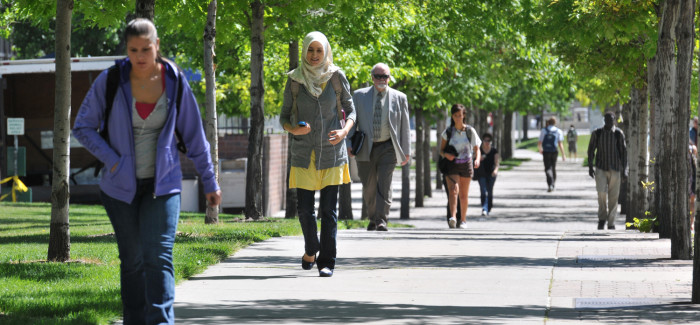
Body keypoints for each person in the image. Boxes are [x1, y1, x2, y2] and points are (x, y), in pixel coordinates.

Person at [72, 18, 221, 324]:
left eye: (146, 48)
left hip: (163, 185)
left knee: (158, 257)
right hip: (119, 189)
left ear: (157, 47)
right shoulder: (111, 80)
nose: (140, 56)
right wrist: (113, 160)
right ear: (126, 49)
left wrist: (210, 181)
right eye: (133, 49)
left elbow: (195, 137)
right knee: (133, 262)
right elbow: (83, 127)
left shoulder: (175, 81)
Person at [279, 31, 355, 277]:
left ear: (326, 52)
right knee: (304, 209)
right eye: (310, 50)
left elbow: (351, 111)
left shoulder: (336, 77)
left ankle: (327, 262)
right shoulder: (294, 80)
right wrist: (294, 129)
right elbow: (283, 116)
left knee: (329, 211)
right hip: (304, 154)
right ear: (304, 51)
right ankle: (311, 248)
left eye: (319, 50)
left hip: (332, 152)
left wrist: (344, 132)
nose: (314, 55)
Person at [348, 63, 410, 232]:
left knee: (385, 183)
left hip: (388, 147)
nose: (382, 79)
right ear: (372, 77)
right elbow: (352, 121)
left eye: (385, 76)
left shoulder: (400, 97)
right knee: (369, 187)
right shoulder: (359, 96)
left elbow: (405, 125)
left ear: (390, 78)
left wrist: (406, 151)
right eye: (378, 76)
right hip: (365, 147)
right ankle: (373, 217)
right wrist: (348, 144)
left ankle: (382, 220)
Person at [440, 104, 481, 228]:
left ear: (464, 116)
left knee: (463, 195)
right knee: (453, 191)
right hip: (452, 165)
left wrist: (477, 159)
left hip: (466, 164)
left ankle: (463, 220)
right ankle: (453, 217)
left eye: (460, 115)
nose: (458, 118)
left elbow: (476, 149)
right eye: (455, 115)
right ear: (452, 116)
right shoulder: (447, 132)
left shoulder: (469, 131)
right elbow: (441, 150)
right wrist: (446, 155)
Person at [587, 112, 627, 230]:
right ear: (604, 120)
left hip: (615, 170)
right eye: (607, 119)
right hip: (601, 168)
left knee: (614, 197)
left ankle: (611, 223)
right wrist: (590, 166)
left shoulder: (618, 134)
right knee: (601, 193)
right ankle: (602, 218)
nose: (609, 122)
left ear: (614, 120)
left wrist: (625, 170)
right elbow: (591, 151)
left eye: (611, 120)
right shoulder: (597, 133)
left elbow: (623, 153)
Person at [538, 117, 566, 192]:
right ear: (555, 123)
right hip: (554, 151)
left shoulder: (544, 130)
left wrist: (540, 150)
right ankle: (553, 184)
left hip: (546, 151)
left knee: (547, 168)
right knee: (553, 167)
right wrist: (563, 154)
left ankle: (550, 184)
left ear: (548, 122)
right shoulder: (558, 131)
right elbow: (560, 144)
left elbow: (540, 142)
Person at [476, 132, 499, 216]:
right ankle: (484, 208)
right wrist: (478, 159)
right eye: (485, 140)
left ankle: (489, 207)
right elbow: (474, 159)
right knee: (483, 191)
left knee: (489, 191)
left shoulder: (494, 151)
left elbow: (497, 163)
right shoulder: (479, 150)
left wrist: (495, 170)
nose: (487, 142)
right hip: (481, 173)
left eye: (488, 140)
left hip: (491, 174)